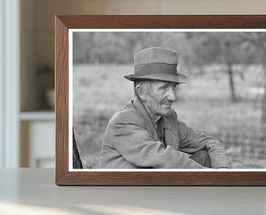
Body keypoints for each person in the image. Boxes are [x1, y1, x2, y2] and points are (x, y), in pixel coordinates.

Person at [98, 47, 231, 169]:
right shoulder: (123, 122)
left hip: (156, 191)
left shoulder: (168, 118)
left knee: (203, 156)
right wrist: (207, 174)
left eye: (174, 87)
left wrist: (222, 171)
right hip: (125, 193)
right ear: (141, 92)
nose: (172, 96)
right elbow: (163, 159)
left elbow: (211, 142)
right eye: (163, 88)